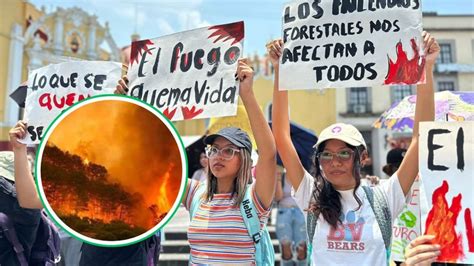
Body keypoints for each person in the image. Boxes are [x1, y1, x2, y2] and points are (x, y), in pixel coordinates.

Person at [267, 31, 439, 265]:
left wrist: (426, 68)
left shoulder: (385, 197)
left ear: (363, 157)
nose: (334, 161)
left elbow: (420, 138)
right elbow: (281, 136)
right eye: (326, 154)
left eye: (344, 153)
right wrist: (280, 72)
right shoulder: (311, 195)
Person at [117, 58, 277, 264]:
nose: (218, 155)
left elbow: (269, 153)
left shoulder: (255, 199)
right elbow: (147, 163)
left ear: (244, 159)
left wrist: (247, 94)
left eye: (229, 151)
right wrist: (127, 107)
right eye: (214, 149)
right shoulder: (195, 193)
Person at [274, 166, 307, 265]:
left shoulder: (305, 177)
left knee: (302, 249)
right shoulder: (282, 176)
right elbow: (278, 197)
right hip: (284, 211)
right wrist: (278, 178)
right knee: (286, 248)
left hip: (301, 212)